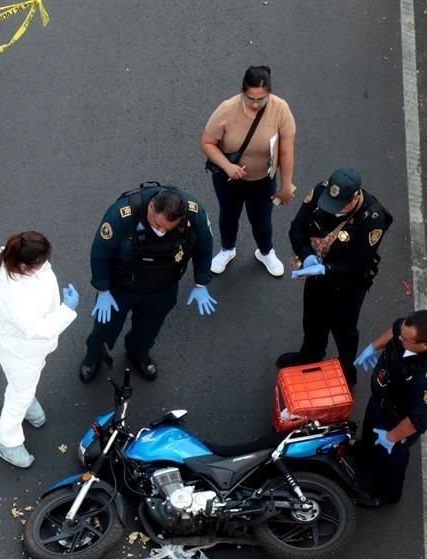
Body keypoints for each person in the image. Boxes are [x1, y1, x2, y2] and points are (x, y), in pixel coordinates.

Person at [79, 183, 216, 383]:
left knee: (149, 327)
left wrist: (201, 283)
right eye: (157, 224)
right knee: (105, 326)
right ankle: (93, 357)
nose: (161, 231)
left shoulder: (193, 212)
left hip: (163, 285)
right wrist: (102, 289)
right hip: (122, 285)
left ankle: (138, 353)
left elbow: (204, 245)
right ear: (151, 206)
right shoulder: (122, 216)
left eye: (168, 228)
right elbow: (100, 253)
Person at [276, 167, 393, 386]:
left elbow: (359, 264)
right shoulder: (322, 192)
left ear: (355, 196)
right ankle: (310, 355)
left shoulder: (373, 218)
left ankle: (346, 370)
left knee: (344, 330)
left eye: (339, 207)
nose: (332, 212)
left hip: (349, 284)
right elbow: (297, 229)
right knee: (312, 320)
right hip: (316, 273)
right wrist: (307, 255)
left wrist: (326, 269)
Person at [0, 232, 79, 468]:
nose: (46, 265)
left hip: (31, 350)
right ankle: (7, 440)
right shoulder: (13, 295)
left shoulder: (18, 258)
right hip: (20, 350)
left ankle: (27, 397)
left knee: (25, 382)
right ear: (25, 267)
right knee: (18, 394)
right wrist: (67, 310)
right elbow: (35, 328)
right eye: (41, 262)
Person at [352, 310, 427, 505]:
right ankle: (366, 451)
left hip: (399, 418)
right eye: (401, 334)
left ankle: (385, 495)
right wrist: (373, 347)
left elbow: (417, 419)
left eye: (405, 339)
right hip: (382, 399)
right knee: (369, 433)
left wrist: (391, 437)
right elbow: (395, 328)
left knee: (391, 459)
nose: (399, 338)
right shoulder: (410, 330)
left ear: (425, 345)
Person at [200, 65, 297, 277]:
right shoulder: (227, 109)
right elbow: (207, 142)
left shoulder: (280, 109)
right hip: (229, 179)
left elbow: (286, 152)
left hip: (263, 179)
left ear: (269, 93)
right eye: (250, 98)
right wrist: (228, 167)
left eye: (261, 99)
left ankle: (265, 251)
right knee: (228, 215)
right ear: (243, 92)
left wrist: (286, 186)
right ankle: (227, 249)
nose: (255, 104)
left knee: (262, 220)